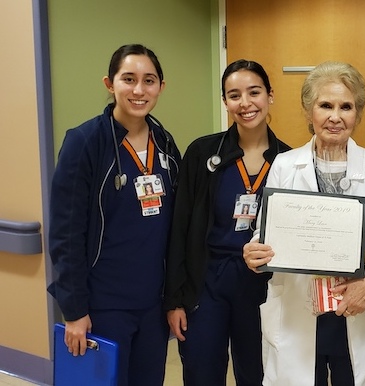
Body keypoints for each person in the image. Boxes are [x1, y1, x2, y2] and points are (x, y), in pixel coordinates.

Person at [243, 61, 365, 386]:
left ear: (357, 113)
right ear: (309, 112)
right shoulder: (284, 165)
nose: (335, 116)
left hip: (358, 309)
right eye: (325, 105)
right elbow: (265, 233)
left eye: (346, 106)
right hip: (299, 313)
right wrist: (256, 253)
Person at [48, 44, 181, 386]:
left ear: (161, 87)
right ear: (110, 84)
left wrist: (174, 298)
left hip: (153, 304)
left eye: (149, 81)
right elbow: (66, 233)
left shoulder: (165, 143)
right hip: (104, 305)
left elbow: (176, 225)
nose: (139, 90)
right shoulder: (85, 142)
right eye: (129, 79)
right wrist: (75, 311)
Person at [164, 59, 290, 386]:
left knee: (259, 374)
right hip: (207, 283)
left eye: (254, 92)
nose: (245, 103)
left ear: (270, 95)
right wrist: (174, 299)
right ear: (225, 101)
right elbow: (180, 229)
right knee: (201, 371)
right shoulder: (202, 154)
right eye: (234, 95)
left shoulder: (290, 163)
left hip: (262, 284)